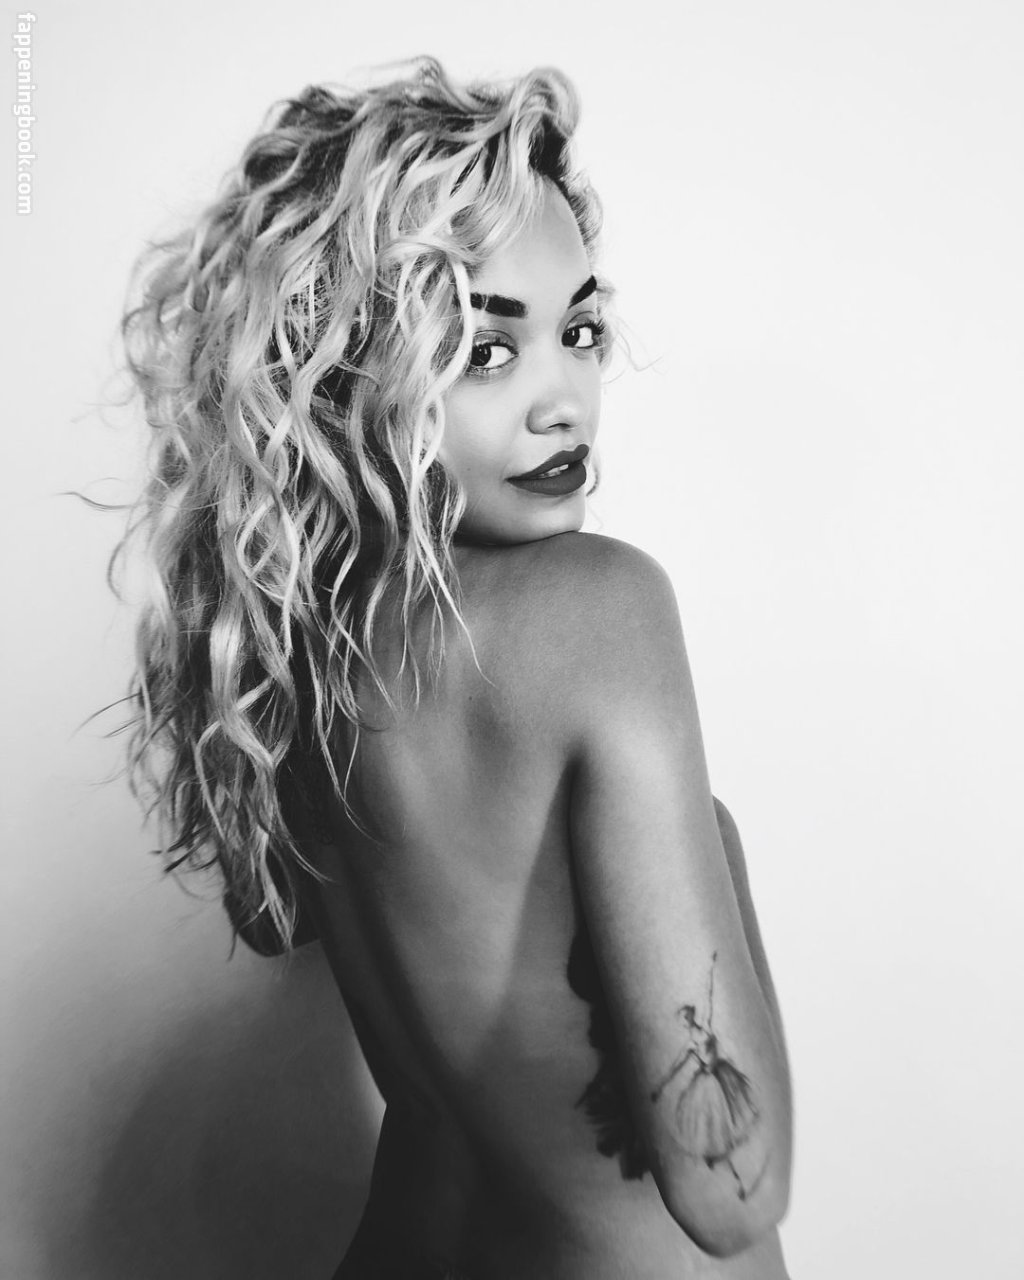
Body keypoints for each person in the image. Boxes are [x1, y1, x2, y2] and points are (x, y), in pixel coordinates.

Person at [118, 58, 792, 1279]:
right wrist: (719, 848)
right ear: (347, 372)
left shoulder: (292, 651)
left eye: (576, 331)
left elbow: (276, 923)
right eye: (486, 351)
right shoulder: (601, 609)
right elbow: (730, 1187)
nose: (562, 400)